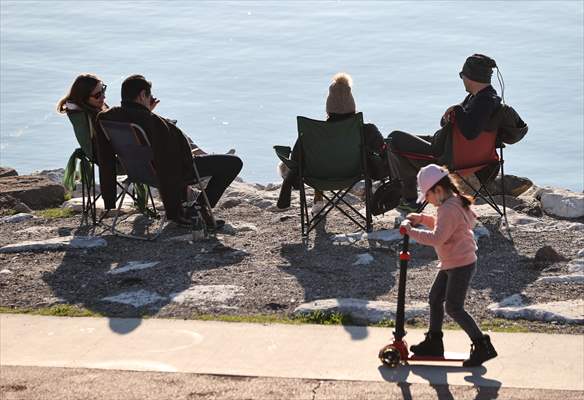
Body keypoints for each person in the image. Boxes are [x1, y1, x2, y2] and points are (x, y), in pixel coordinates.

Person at [96, 75, 242, 227]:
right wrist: (175, 210)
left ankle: (196, 209)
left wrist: (108, 197)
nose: (151, 99)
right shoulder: (155, 122)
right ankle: (200, 208)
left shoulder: (106, 117)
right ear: (142, 95)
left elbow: (105, 157)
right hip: (170, 174)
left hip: (137, 173)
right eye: (149, 95)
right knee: (233, 163)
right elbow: (182, 160)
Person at [400, 164, 497, 367]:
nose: (427, 201)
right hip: (452, 261)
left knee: (454, 307)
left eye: (427, 196)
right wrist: (421, 219)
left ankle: (482, 345)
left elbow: (438, 237)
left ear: (438, 190)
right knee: (435, 298)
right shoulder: (452, 203)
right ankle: (434, 342)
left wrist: (410, 231)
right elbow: (443, 225)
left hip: (460, 264)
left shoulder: (448, 209)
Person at [387, 54, 502, 212]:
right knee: (409, 141)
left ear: (471, 77)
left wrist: (457, 110)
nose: (461, 79)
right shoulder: (486, 97)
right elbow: (445, 122)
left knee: (393, 139)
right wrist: (455, 113)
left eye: (462, 75)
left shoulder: (483, 102)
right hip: (461, 150)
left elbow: (470, 132)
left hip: (450, 157)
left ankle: (408, 199)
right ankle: (408, 197)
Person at [276, 72, 385, 214]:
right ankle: (371, 209)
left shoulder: (312, 132)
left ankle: (318, 199)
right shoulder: (367, 130)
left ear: (328, 106)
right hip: (353, 174)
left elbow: (296, 160)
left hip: (319, 178)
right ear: (352, 105)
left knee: (317, 159)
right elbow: (382, 149)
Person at [57, 73, 108, 160]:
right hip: (112, 161)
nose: (104, 96)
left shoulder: (85, 111)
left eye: (103, 89)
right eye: (97, 95)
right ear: (83, 99)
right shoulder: (91, 118)